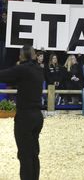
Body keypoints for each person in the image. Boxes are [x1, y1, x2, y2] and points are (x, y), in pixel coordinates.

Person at [0, 45, 44, 180]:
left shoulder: (22, 69)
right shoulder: (39, 69)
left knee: (24, 154)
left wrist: (18, 66)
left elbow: (3, 76)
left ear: (21, 56)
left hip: (25, 116)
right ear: (34, 56)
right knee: (33, 153)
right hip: (37, 116)